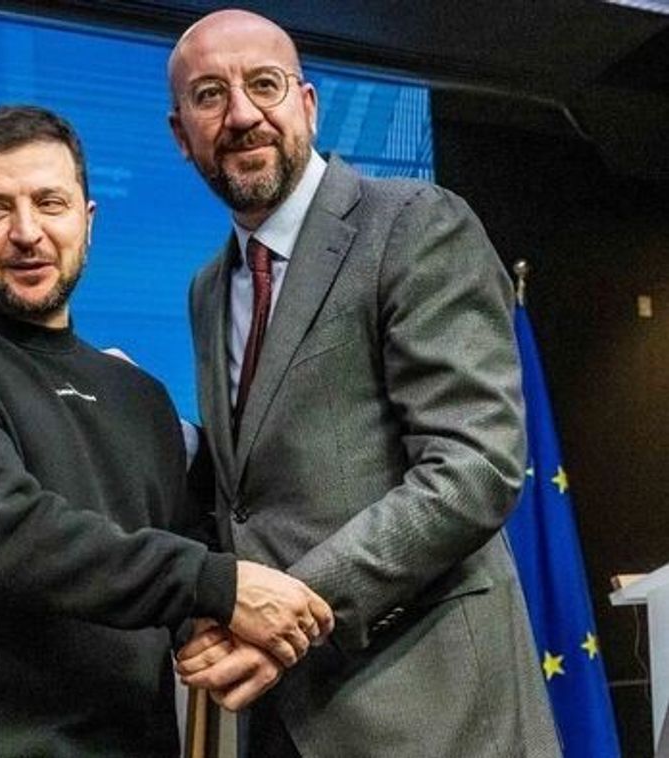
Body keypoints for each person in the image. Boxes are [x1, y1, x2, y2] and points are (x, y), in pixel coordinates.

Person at [0, 105, 332, 758]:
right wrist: (219, 588)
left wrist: (206, 626)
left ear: (87, 218)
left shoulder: (137, 396)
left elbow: (183, 555)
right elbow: (13, 538)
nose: (26, 233)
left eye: (48, 203)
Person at [167, 9, 561, 757]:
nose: (241, 114)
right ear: (180, 132)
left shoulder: (414, 223)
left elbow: (473, 467)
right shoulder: (207, 288)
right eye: (209, 95)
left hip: (433, 714)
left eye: (263, 84)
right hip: (284, 716)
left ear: (306, 104)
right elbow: (251, 496)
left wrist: (295, 615)